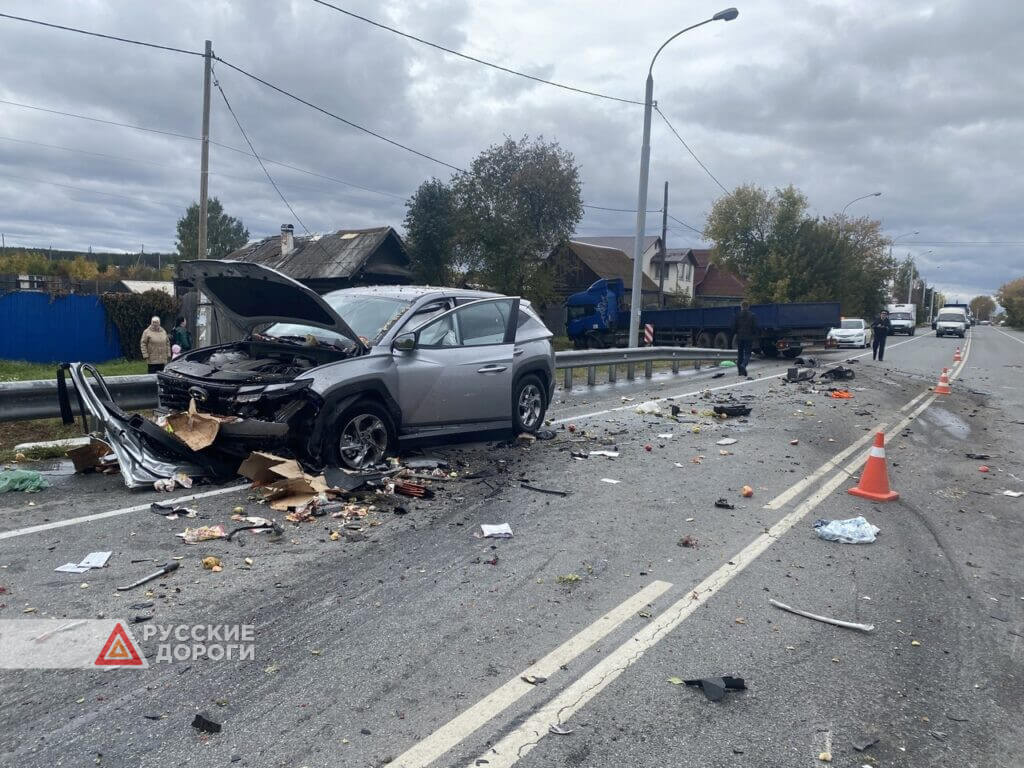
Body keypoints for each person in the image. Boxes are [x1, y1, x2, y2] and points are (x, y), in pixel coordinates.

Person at [732, 301, 759, 377]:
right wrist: (755, 335)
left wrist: (735, 334)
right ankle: (744, 365)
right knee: (747, 353)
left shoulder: (737, 315)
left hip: (740, 337)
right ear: (748, 307)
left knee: (740, 354)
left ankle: (740, 372)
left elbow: (734, 327)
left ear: (741, 306)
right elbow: (755, 327)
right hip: (749, 337)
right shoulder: (752, 315)